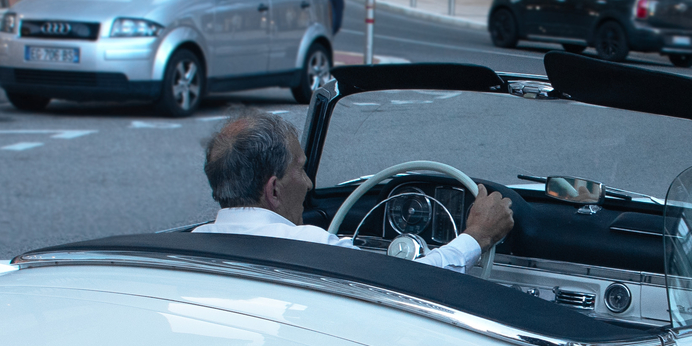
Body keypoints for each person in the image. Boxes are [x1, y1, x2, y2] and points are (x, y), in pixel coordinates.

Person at [190, 112, 512, 271]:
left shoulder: (189, 245)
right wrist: (478, 236)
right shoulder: (313, 250)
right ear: (274, 190)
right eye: (301, 170)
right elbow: (411, 282)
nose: (310, 183)